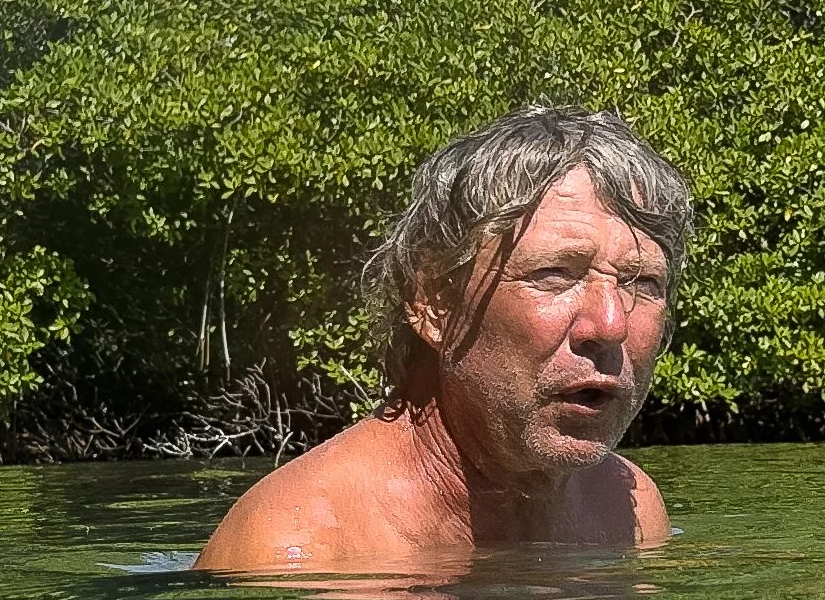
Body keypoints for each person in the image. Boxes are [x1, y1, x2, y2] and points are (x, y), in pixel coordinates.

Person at [194, 106, 692, 572]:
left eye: (641, 283)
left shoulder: (629, 515)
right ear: (433, 302)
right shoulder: (297, 555)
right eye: (555, 274)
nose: (610, 325)